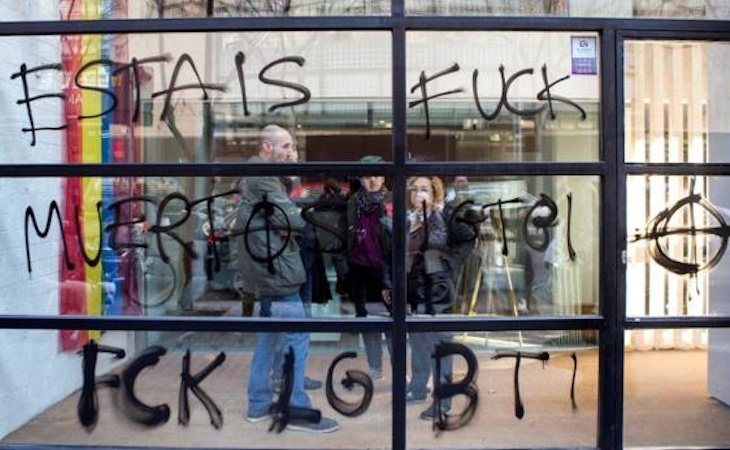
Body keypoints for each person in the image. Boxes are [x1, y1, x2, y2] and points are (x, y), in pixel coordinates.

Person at [237, 124, 338, 433]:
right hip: (277, 272)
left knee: (268, 339)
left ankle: (257, 404)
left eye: (292, 147)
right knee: (297, 339)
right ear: (266, 147)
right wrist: (293, 218)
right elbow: (293, 219)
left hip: (268, 272)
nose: (290, 152)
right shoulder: (264, 177)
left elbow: (283, 217)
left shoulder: (262, 178)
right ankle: (295, 409)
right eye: (285, 146)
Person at [390, 176, 463, 420]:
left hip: (436, 291)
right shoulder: (407, 219)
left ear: (434, 194)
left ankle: (443, 401)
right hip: (412, 291)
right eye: (414, 189)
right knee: (419, 342)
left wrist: (447, 264)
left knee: (439, 345)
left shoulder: (440, 217)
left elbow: (455, 243)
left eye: (424, 189)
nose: (419, 193)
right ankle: (418, 387)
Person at [345, 156, 392, 380]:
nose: (372, 180)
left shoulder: (391, 199)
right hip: (359, 268)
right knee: (367, 321)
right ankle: (375, 366)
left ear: (383, 177)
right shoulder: (354, 201)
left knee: (392, 321)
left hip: (385, 269)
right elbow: (345, 231)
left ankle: (398, 367)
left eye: (376, 175)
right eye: (367, 176)